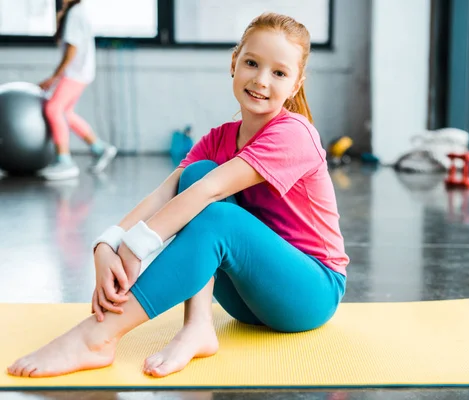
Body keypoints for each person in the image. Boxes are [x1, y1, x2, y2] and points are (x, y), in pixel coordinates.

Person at [7, 12, 349, 379]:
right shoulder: (219, 138)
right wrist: (109, 242)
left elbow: (212, 191)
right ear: (234, 63)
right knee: (195, 174)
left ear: (296, 84)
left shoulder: (294, 133)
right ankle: (198, 327)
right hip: (249, 297)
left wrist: (137, 247)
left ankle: (97, 337)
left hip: (310, 293)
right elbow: (167, 191)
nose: (261, 80)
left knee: (215, 207)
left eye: (279, 73)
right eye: (252, 63)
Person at [38, 0, 117, 181]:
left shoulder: (76, 13)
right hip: (81, 72)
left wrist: (54, 77)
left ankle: (64, 161)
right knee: (66, 112)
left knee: (53, 108)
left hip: (76, 72)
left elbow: (72, 49)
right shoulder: (75, 11)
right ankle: (99, 148)